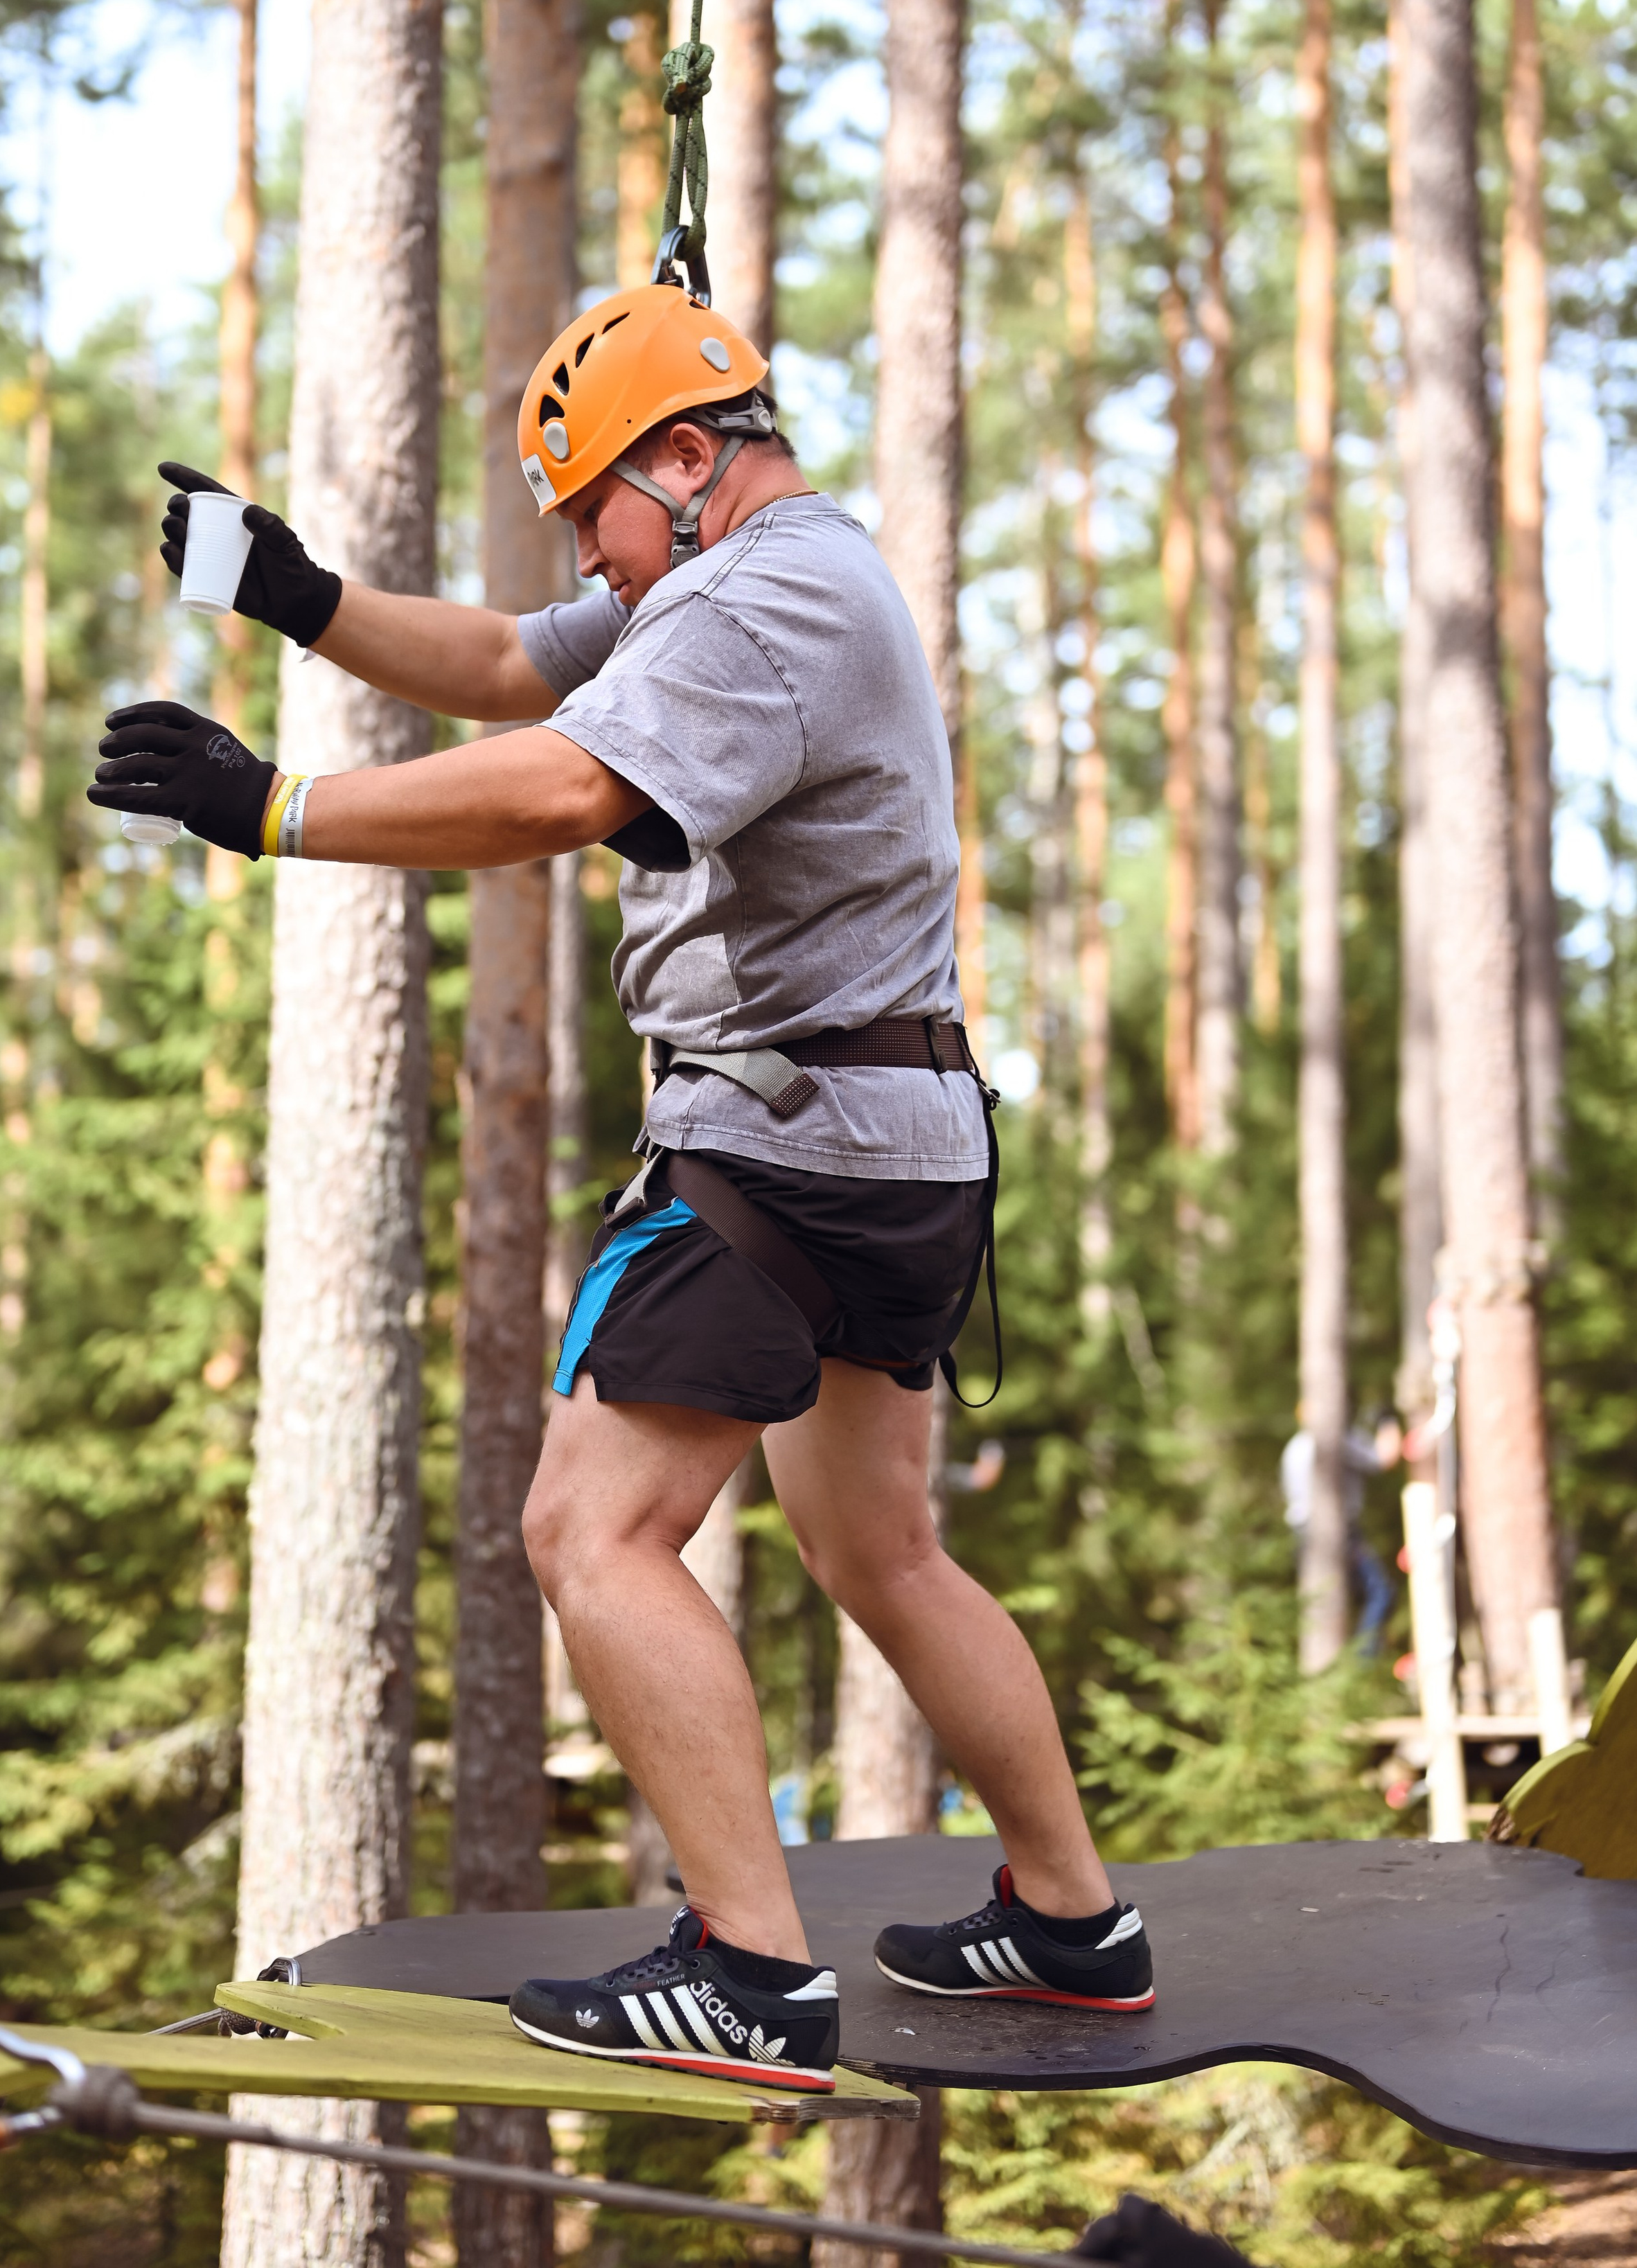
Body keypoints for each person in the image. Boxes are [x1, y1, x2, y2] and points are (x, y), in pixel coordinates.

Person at [91, 278, 1153, 2093]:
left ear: (686, 456)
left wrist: (278, 809)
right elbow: (521, 662)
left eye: (595, 505)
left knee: (591, 1528)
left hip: (778, 1150)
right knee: (880, 1545)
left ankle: (751, 1968)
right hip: (896, 1136)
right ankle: (1074, 1919)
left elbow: (563, 781)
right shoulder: (746, 575)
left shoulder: (758, 597)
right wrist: (298, 596)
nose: (588, 550)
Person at [1280, 1406, 1403, 1656]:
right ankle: (1361, 1662)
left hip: (1302, 1534)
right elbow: (1385, 1457)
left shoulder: (1292, 1448)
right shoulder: (1338, 1440)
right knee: (1380, 1593)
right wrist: (1388, 1421)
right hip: (1342, 1534)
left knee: (1323, 1605)